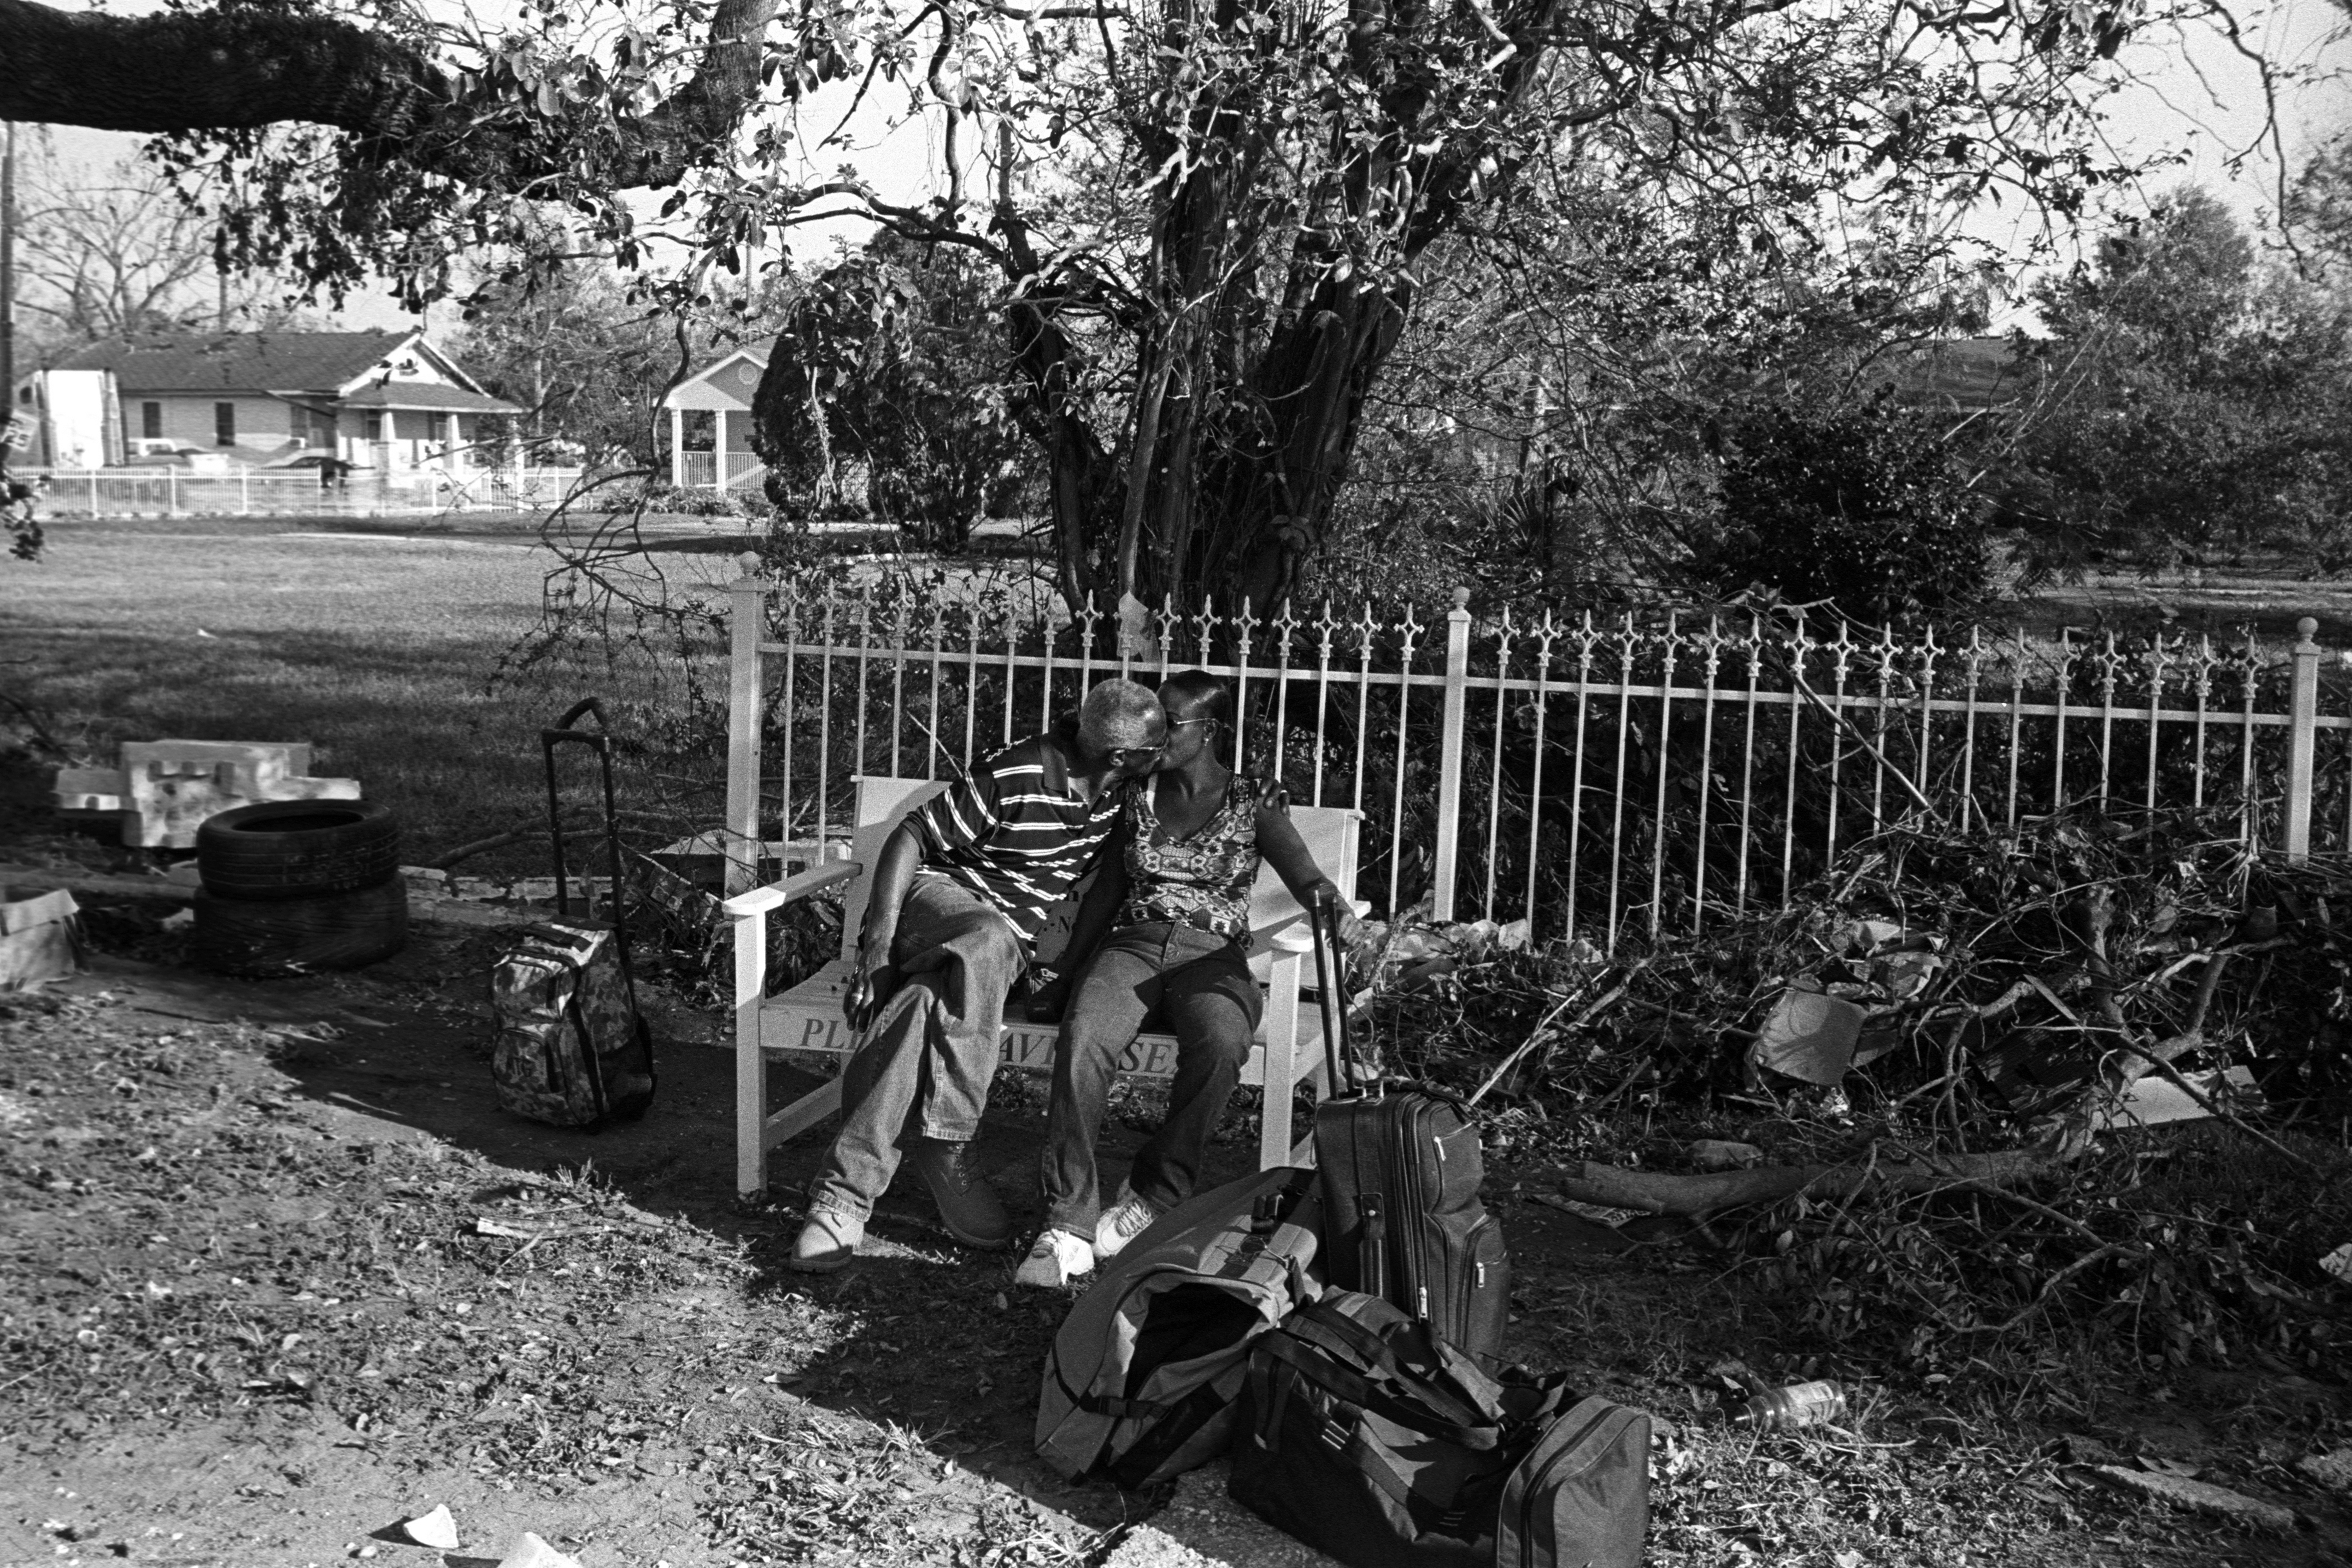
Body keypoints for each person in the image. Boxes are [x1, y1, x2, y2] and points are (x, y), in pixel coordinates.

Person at [786, 678, 1171, 1273]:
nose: (1165, 752)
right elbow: (911, 835)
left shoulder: (1120, 794)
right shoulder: (1015, 772)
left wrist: (1064, 974)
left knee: (920, 1005)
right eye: (1156, 746)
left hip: (996, 954)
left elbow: (1120, 879)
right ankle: (951, 1141)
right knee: (987, 937)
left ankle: (842, 1199)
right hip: (933, 907)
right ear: (1120, 755)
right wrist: (879, 946)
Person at [1015, 670, 1362, 1288]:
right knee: (1084, 1039)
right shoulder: (1133, 793)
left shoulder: (1252, 800)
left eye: (1171, 723)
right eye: (1154, 720)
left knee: (1223, 1041)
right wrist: (1065, 972)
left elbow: (1306, 877)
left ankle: (1157, 1192)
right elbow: (1108, 893)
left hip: (1212, 957)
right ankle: (1068, 1222)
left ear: (1210, 730)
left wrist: (1331, 906)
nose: (1157, 733)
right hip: (1133, 946)